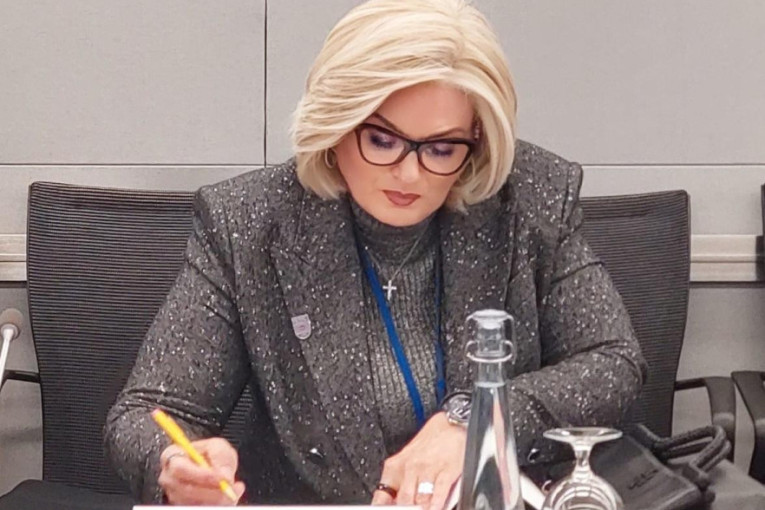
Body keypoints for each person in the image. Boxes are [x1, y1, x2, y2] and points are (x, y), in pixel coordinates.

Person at [105, 0, 646, 507]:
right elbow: (144, 414)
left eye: (442, 148)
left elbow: (613, 360)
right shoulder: (250, 223)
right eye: (382, 141)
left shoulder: (528, 196)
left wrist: (480, 421)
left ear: (477, 140)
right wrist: (174, 462)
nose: (409, 174)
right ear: (336, 125)